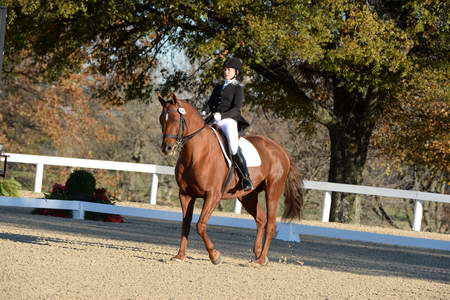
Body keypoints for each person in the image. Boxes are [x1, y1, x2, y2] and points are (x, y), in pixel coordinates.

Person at [202, 57, 253, 191]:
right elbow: (210, 103)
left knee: (233, 146)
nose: (226, 71)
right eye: (225, 69)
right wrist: (203, 112)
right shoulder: (218, 86)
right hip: (214, 119)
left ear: (236, 72)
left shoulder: (238, 88)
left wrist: (222, 115)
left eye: (229, 70)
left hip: (228, 120)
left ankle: (246, 178)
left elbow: (236, 109)